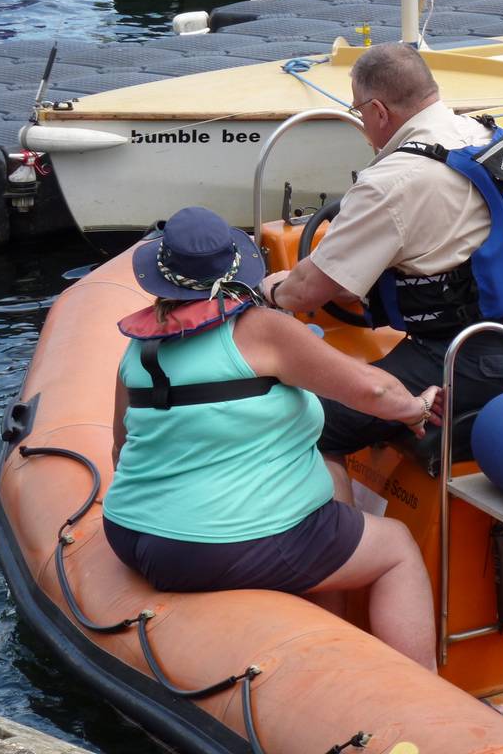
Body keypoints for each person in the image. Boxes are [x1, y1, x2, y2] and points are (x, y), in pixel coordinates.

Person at [260, 43, 503, 629]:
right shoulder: (486, 136)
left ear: (378, 112)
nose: (361, 126)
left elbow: (310, 292)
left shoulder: (391, 181)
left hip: (476, 363)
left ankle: (343, 572)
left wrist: (274, 291)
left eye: (358, 113)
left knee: (312, 420)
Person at [103, 206, 439, 670]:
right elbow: (376, 390)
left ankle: (332, 638)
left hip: (130, 533)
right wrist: (417, 408)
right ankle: (418, 698)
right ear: (235, 271)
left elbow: (122, 450)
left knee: (327, 470)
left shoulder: (137, 346)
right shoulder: (263, 330)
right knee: (396, 547)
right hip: (213, 547)